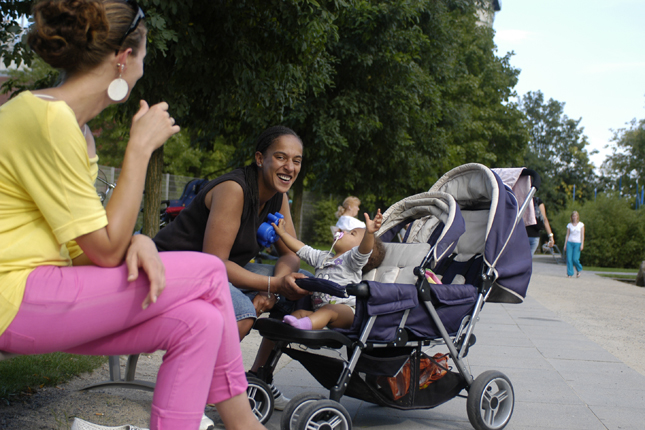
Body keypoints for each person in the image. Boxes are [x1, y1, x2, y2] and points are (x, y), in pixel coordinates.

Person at [0, 1, 264, 430]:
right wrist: (139, 150)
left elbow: (82, 248)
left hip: (41, 291)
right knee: (210, 273)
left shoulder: (72, 128)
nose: (144, 64)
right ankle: (244, 424)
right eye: (144, 53)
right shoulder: (46, 119)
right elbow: (104, 251)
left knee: (196, 322)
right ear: (125, 58)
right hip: (13, 297)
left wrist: (139, 240)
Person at [153, 125, 311, 408]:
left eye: (296, 160)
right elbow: (214, 264)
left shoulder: (279, 194)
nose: (290, 167)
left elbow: (290, 254)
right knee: (241, 311)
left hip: (212, 273)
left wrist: (277, 290)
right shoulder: (234, 189)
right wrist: (271, 285)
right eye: (281, 157)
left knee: (304, 287)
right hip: (170, 271)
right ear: (260, 158)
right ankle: (193, 391)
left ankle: (259, 377)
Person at [274, 210, 385, 330]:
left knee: (329, 310)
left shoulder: (352, 261)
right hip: (320, 311)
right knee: (300, 313)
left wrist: (369, 234)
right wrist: (283, 234)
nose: (344, 231)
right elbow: (302, 249)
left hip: (345, 312)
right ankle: (284, 332)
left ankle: (302, 326)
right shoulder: (323, 257)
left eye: (352, 233)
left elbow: (364, 250)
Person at [564, 210, 585, 278]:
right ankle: (570, 273)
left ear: (578, 217)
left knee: (575, 259)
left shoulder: (581, 225)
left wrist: (582, 244)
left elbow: (582, 235)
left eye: (575, 216)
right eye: (573, 216)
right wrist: (565, 244)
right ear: (572, 217)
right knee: (569, 259)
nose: (574, 217)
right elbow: (567, 235)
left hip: (577, 243)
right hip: (570, 243)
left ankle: (579, 269)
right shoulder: (569, 225)